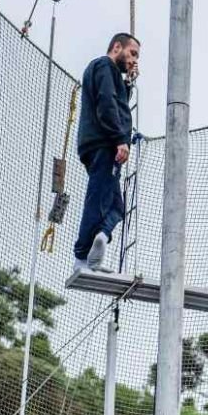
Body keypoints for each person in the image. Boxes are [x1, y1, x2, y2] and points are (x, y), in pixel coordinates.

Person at [66, 32, 140, 286]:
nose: (134, 60)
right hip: (104, 144)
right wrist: (119, 139)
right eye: (132, 53)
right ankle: (81, 256)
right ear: (117, 47)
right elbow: (106, 104)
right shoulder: (104, 66)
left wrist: (127, 85)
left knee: (116, 205)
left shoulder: (108, 73)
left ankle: (100, 237)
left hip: (100, 143)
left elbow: (116, 103)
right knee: (97, 199)